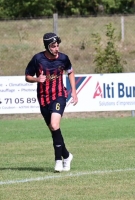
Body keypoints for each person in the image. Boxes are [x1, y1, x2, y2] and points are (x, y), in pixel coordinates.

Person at [25, 32, 78, 172]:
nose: (57, 48)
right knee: (54, 130)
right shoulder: (37, 59)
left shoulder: (64, 58)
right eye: (53, 46)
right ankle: (66, 156)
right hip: (43, 99)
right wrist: (37, 79)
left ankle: (58, 161)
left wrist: (74, 90)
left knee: (54, 125)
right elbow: (27, 76)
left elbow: (70, 72)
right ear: (47, 47)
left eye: (57, 45)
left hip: (59, 95)